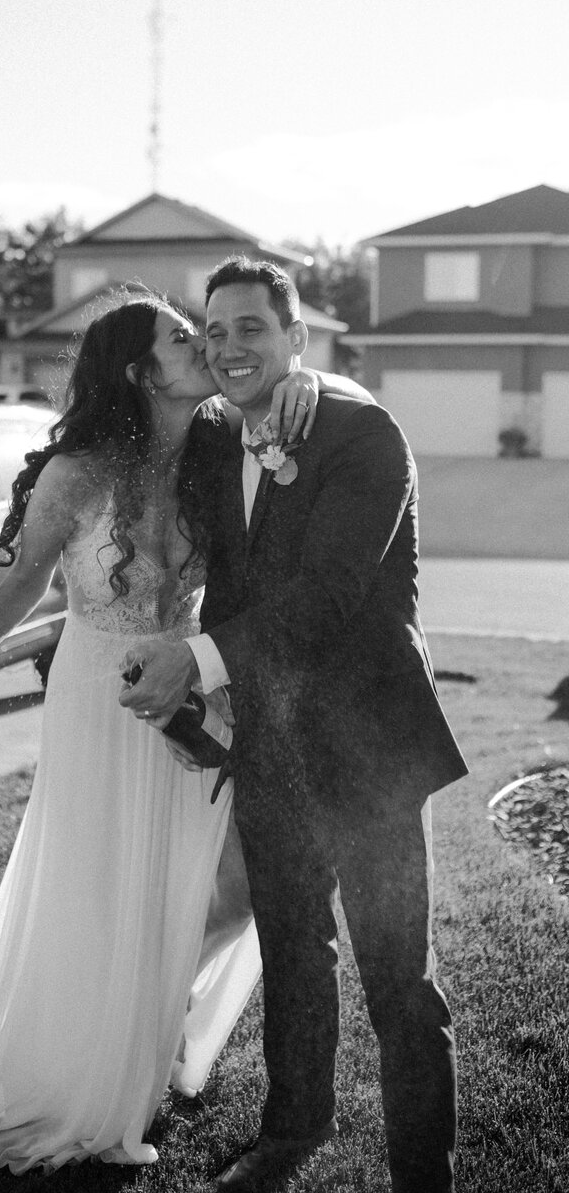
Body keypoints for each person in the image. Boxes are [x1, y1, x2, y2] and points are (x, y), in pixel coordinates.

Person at [0, 292, 325, 1175]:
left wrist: (306, 381)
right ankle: (90, 1061)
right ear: (141, 372)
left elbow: (300, 387)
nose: (206, 345)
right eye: (186, 336)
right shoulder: (78, 471)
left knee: (229, 882)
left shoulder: (217, 448)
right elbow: (13, 588)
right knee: (102, 883)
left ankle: (154, 1012)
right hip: (98, 694)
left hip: (194, 688)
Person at [119, 257, 469, 1193]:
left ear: (296, 338)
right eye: (215, 330)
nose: (230, 348)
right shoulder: (210, 443)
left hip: (372, 750)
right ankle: (291, 1131)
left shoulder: (363, 433)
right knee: (292, 950)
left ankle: (423, 1172)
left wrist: (195, 660)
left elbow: (328, 593)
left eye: (252, 330)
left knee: (400, 979)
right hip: (269, 745)